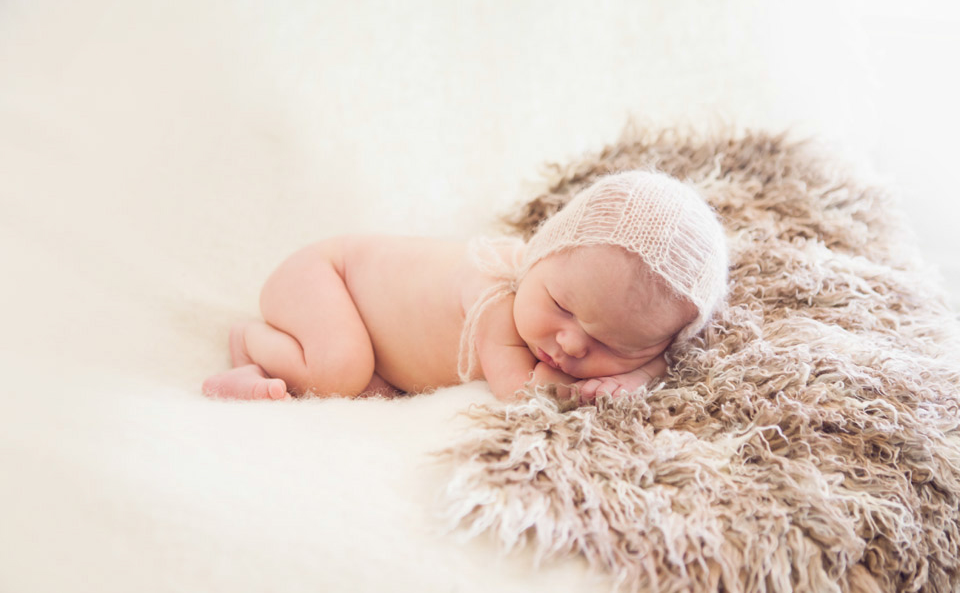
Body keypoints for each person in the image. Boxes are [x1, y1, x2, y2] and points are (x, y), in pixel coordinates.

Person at [201, 170, 728, 403]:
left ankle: (284, 361)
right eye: (562, 306)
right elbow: (522, 392)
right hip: (326, 276)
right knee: (342, 373)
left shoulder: (573, 293)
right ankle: (251, 342)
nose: (569, 344)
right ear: (540, 254)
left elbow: (664, 357)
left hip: (353, 306)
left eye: (613, 345)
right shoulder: (496, 300)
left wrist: (647, 370)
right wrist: (627, 378)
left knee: (374, 390)